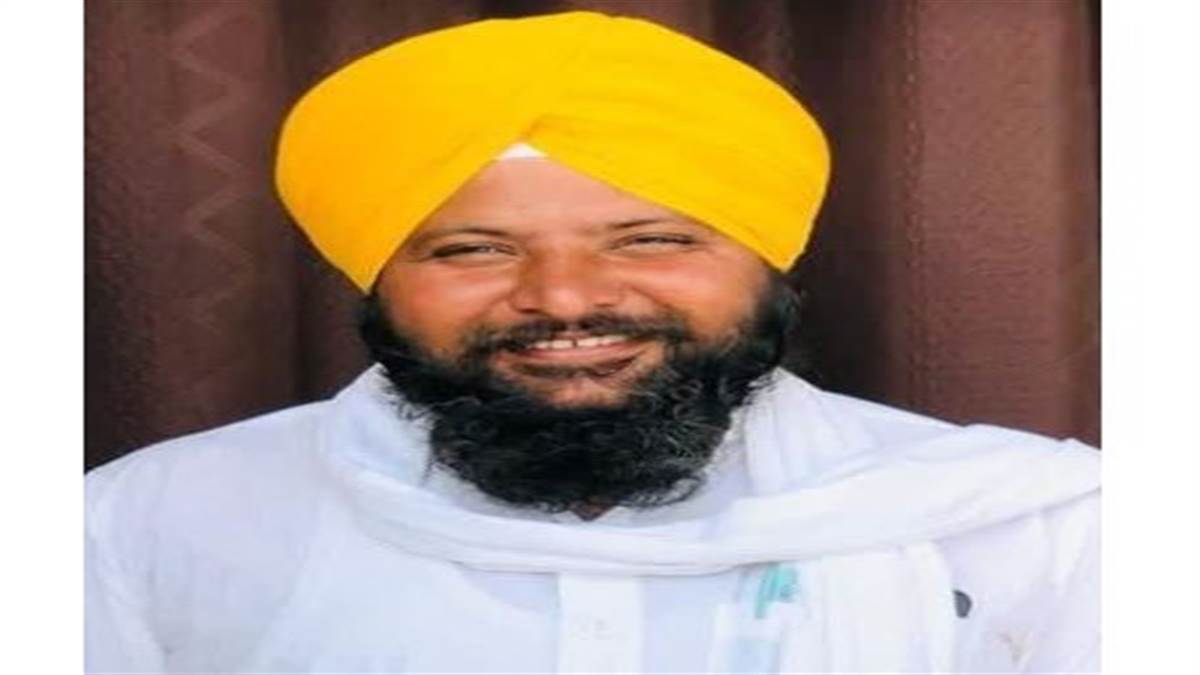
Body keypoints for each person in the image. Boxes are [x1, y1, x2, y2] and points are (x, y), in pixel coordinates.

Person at [85, 11, 1100, 674]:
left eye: (651, 239)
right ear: (376, 279)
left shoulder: (1037, 528)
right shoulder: (145, 526)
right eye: (474, 249)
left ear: (771, 264)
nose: (563, 297)